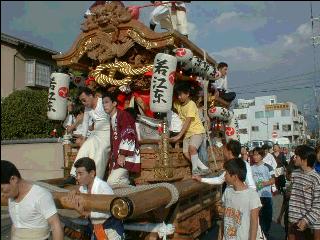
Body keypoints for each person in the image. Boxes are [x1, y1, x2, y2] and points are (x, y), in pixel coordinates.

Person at [1, 160, 64, 240]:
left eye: (2, 189)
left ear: (13, 179)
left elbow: (56, 225)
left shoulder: (40, 195)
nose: (2, 194)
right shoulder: (12, 195)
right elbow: (16, 225)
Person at [64, 87, 111, 185]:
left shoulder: (103, 102)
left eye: (84, 100)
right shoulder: (87, 108)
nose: (84, 103)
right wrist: (83, 139)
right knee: (84, 148)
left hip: (107, 133)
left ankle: (96, 180)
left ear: (91, 95)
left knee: (99, 152)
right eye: (82, 101)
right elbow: (85, 124)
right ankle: (74, 175)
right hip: (96, 133)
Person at [69, 157, 125, 240]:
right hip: (97, 228)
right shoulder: (83, 187)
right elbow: (79, 190)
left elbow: (110, 210)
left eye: (80, 174)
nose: (77, 177)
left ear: (92, 173)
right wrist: (74, 191)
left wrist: (84, 213)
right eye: (76, 174)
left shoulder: (103, 187)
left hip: (111, 229)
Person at [170, 81, 209, 175]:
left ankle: (195, 170)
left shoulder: (191, 104)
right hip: (187, 133)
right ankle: (204, 168)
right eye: (177, 95)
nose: (179, 97)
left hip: (197, 131)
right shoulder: (177, 103)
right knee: (186, 153)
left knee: (192, 148)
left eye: (181, 95)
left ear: (187, 94)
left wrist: (179, 136)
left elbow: (187, 121)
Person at [102, 92, 141, 185]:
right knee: (115, 183)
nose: (104, 105)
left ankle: (129, 187)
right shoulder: (112, 118)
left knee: (111, 182)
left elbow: (129, 134)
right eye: (103, 103)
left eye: (106, 102)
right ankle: (129, 190)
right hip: (118, 157)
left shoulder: (123, 115)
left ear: (114, 103)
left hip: (127, 155)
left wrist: (123, 154)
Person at [221, 158, 261, 240]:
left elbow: (254, 224)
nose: (224, 176)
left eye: (226, 173)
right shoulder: (227, 191)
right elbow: (224, 218)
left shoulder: (252, 195)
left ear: (235, 176)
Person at [288, 145, 320, 240]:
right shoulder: (295, 174)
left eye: (296, 156)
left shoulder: (316, 178)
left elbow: (318, 204)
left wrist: (306, 220)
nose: (294, 158)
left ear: (304, 159)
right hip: (293, 220)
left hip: (311, 223)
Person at [251, 147, 275, 239]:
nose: (255, 156)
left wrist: (262, 184)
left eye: (257, 154)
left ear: (262, 155)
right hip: (254, 196)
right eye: (254, 154)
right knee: (256, 219)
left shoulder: (268, 167)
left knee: (266, 219)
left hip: (265, 196)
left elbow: (273, 180)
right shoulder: (250, 168)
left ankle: (265, 235)